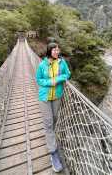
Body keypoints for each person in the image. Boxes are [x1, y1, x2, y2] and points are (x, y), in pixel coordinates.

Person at [36, 42, 71, 173]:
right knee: (49, 123)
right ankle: (53, 154)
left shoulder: (62, 63)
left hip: (57, 96)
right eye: (54, 50)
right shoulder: (42, 64)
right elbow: (38, 79)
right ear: (49, 51)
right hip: (44, 97)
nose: (57, 52)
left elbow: (68, 74)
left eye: (58, 50)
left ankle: (49, 133)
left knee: (54, 119)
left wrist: (59, 78)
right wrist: (50, 82)